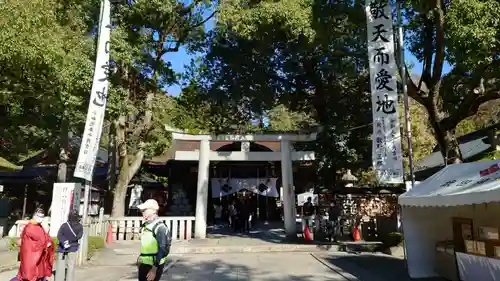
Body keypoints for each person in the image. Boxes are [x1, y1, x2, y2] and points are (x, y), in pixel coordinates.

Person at [137, 199, 172, 281]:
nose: (142, 212)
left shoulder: (160, 227)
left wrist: (154, 269)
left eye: (144, 210)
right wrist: (140, 257)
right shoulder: (147, 225)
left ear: (152, 211)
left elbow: (162, 248)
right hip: (144, 263)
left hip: (154, 265)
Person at [17, 208, 54, 281]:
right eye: (39, 216)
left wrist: (48, 242)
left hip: (39, 255)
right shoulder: (30, 228)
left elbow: (45, 236)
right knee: (30, 273)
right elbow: (35, 241)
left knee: (38, 273)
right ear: (34, 216)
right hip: (31, 255)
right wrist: (44, 244)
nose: (41, 219)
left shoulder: (39, 226)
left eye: (42, 217)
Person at [55, 212, 83, 281]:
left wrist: (64, 242)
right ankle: (69, 279)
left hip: (62, 248)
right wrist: (71, 241)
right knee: (71, 266)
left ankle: (59, 279)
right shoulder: (80, 226)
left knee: (60, 266)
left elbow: (59, 235)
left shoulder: (64, 225)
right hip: (73, 247)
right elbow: (79, 236)